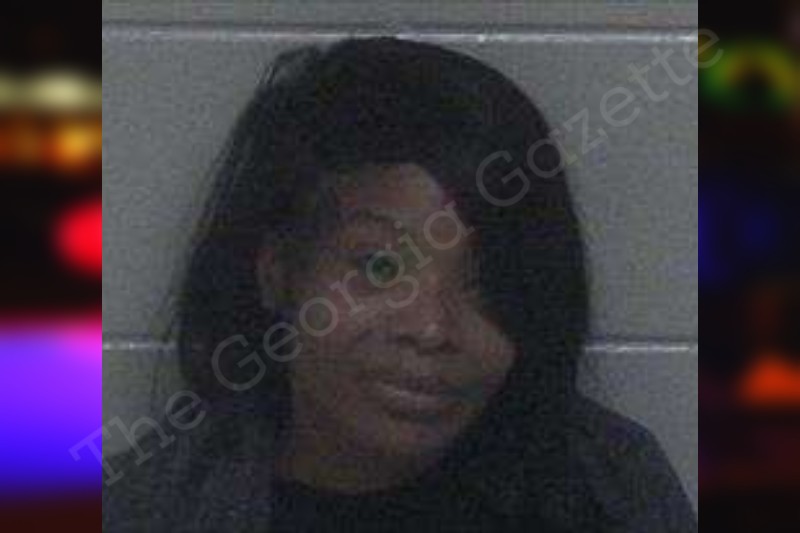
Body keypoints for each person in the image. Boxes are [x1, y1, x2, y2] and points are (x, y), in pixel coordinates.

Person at [102, 37, 697, 532]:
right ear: (277, 272)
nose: (431, 328)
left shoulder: (609, 490)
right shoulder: (155, 509)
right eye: (380, 268)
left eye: (488, 280)